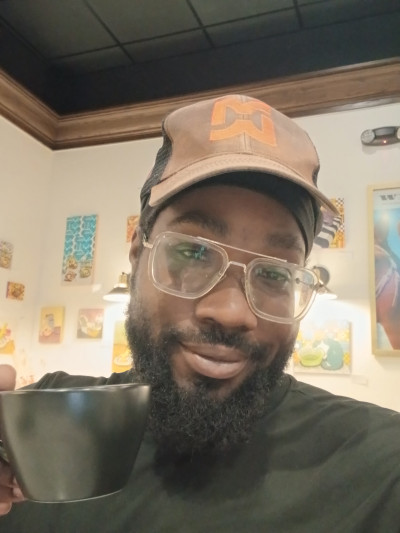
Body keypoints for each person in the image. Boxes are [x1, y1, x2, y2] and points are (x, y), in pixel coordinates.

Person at [1, 95, 399, 532]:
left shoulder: (379, 466)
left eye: (275, 273)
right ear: (137, 255)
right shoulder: (36, 428)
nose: (231, 312)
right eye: (192, 252)